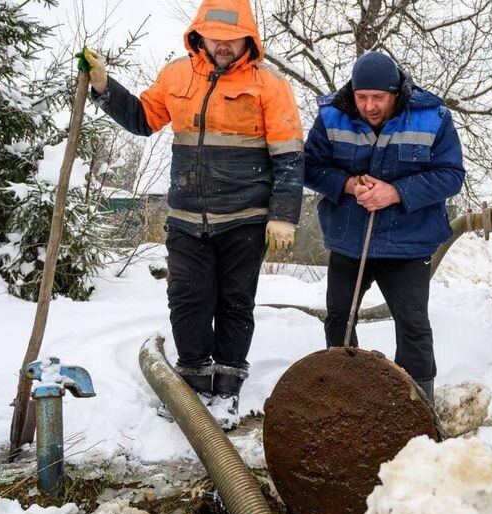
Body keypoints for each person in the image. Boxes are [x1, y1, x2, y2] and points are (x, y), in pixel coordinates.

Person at [82, 0, 304, 428]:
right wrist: (104, 86)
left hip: (245, 217)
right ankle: (195, 385)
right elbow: (143, 119)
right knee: (187, 300)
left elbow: (290, 157)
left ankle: (227, 390)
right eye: (214, 38)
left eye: (231, 39)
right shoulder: (176, 75)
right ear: (199, 34)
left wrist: (283, 214)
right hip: (186, 217)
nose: (222, 46)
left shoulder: (269, 85)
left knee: (234, 303)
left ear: (248, 38)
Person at [303, 51, 465, 403]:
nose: (369, 106)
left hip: (408, 242)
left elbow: (451, 176)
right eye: (362, 97)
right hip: (349, 239)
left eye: (378, 97)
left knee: (412, 325)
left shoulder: (433, 118)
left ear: (396, 93)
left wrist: (396, 192)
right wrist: (349, 185)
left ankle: (416, 404)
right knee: (339, 319)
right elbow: (310, 167)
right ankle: (345, 396)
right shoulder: (331, 116)